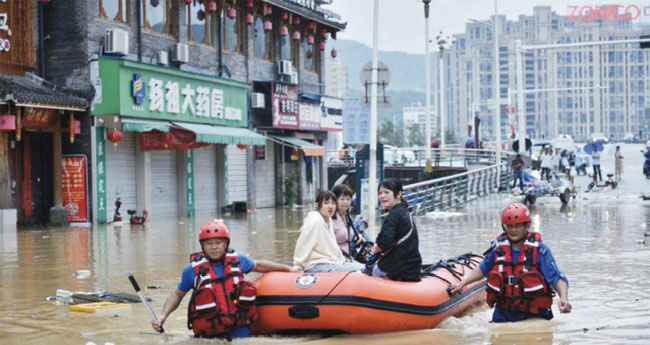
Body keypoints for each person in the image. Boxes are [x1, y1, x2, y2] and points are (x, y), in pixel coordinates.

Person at [152, 220, 296, 339]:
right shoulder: (192, 270)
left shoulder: (238, 260)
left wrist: (288, 269)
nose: (214, 247)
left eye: (218, 243)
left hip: (240, 330)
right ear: (203, 246)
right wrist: (162, 316)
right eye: (209, 244)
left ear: (226, 244)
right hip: (209, 334)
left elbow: (259, 265)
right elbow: (177, 294)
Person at [450, 203, 571, 322]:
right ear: (504, 227)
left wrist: (563, 298)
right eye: (510, 226)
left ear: (526, 226)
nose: (513, 230)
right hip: (504, 314)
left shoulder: (540, 250)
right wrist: (463, 283)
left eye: (518, 226)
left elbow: (557, 278)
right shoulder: (498, 249)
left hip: (534, 315)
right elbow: (482, 269)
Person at [293, 190, 365, 272]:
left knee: (365, 267)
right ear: (318, 205)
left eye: (333, 203)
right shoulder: (315, 220)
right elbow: (303, 243)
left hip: (331, 262)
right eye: (326, 203)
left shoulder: (328, 219)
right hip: (317, 265)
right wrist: (298, 265)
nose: (330, 206)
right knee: (363, 269)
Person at [371, 178, 422, 282]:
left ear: (399, 194)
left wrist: (375, 249)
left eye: (387, 192)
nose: (382, 196)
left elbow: (386, 241)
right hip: (412, 267)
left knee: (375, 271)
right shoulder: (404, 211)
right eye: (380, 193)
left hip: (398, 268)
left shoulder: (394, 215)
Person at [332, 184, 368, 263]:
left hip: (351, 256)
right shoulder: (330, 219)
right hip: (339, 259)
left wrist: (358, 236)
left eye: (348, 199)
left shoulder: (348, 217)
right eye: (342, 199)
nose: (345, 202)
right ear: (335, 200)